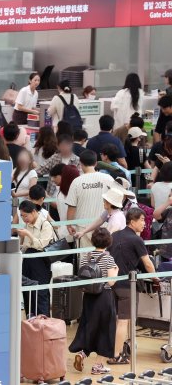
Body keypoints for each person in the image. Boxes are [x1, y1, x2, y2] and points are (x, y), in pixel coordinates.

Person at [109, 208, 157, 366]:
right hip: (126, 285)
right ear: (133, 221)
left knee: (117, 320)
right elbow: (148, 264)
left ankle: (117, 350)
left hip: (112, 284)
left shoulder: (114, 236)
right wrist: (156, 278)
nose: (144, 223)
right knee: (123, 321)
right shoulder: (136, 240)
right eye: (142, 220)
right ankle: (116, 356)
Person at [68, 228, 118, 375]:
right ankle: (98, 366)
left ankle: (82, 354)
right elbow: (111, 282)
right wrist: (116, 270)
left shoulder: (85, 257)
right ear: (108, 241)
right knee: (105, 329)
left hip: (89, 297)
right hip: (104, 298)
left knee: (89, 326)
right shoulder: (108, 259)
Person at [66, 150, 115, 247]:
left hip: (82, 227)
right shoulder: (108, 178)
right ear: (96, 163)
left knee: (85, 259)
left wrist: (69, 224)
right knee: (103, 258)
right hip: (104, 227)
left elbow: (72, 206)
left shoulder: (77, 182)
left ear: (81, 163)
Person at [17, 201, 53, 317]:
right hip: (28, 260)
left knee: (41, 292)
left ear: (33, 212)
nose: (24, 219)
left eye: (25, 215)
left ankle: (44, 321)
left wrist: (28, 234)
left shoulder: (45, 224)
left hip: (40, 261)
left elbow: (41, 245)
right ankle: (31, 320)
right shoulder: (27, 225)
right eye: (22, 216)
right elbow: (26, 245)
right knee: (28, 292)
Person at [50, 164, 81, 237]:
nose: (52, 179)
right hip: (67, 230)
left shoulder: (71, 193)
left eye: (55, 177)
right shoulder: (62, 192)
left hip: (70, 231)